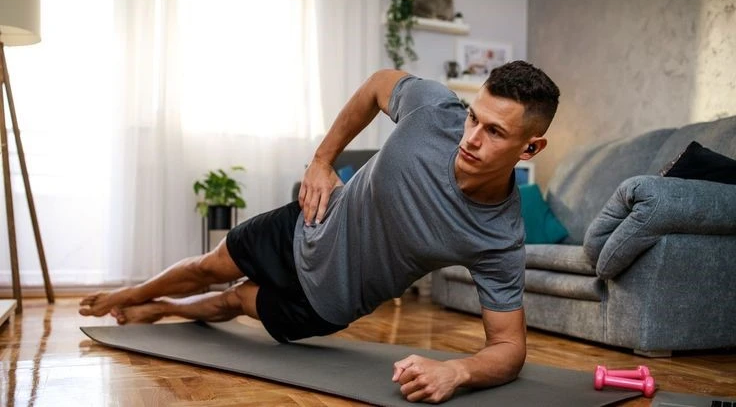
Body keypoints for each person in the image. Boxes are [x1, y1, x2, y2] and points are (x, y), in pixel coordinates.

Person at [79, 60, 559, 403]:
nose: (471, 138)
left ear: (529, 149)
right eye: (474, 116)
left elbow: (508, 347)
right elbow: (376, 85)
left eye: (494, 132)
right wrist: (322, 160)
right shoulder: (435, 111)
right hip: (308, 222)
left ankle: (161, 310)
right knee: (209, 266)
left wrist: (457, 371)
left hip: (326, 303)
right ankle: (130, 294)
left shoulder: (498, 236)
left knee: (232, 300)